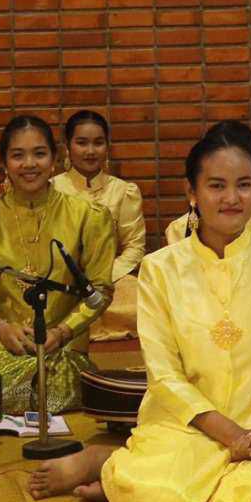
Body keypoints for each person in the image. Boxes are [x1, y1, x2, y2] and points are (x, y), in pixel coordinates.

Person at [27, 123, 251, 502]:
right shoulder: (161, 268)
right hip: (188, 429)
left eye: (244, 185)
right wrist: (230, 436)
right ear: (192, 192)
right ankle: (115, 464)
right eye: (217, 186)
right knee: (153, 498)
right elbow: (165, 374)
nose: (231, 198)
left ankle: (132, 473)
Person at [0, 115, 116, 415]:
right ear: (4, 163)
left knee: (58, 386)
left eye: (39, 154)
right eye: (18, 155)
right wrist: (0, 328)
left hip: (62, 350)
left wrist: (63, 332)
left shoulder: (89, 217)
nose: (29, 164)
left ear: (54, 160)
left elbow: (101, 290)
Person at [53, 109, 146, 340]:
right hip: (61, 281)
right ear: (67, 147)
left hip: (111, 281)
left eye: (98, 143)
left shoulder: (124, 191)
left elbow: (134, 247)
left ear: (107, 146)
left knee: (142, 307)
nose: (90, 151)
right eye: (82, 143)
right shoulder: (51, 189)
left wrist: (102, 279)